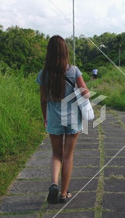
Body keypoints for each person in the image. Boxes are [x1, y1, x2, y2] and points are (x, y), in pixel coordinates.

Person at [36, 35, 90, 204]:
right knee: (68, 155)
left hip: (54, 119)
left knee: (56, 154)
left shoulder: (43, 74)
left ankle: (54, 184)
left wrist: (45, 119)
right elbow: (86, 93)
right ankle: (64, 193)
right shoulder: (74, 71)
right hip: (73, 119)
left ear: (49, 53)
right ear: (65, 51)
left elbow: (43, 100)